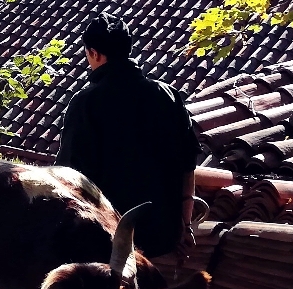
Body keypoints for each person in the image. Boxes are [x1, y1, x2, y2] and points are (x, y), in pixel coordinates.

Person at [55, 14, 200, 258]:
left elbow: (69, 177)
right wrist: (184, 225)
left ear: (95, 54)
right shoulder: (168, 96)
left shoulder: (86, 103)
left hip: (106, 240)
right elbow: (188, 165)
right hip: (162, 237)